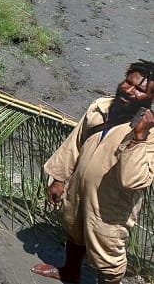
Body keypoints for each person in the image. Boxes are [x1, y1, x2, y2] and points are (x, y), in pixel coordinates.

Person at [31, 61, 154, 284]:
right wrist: (59, 178)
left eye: (140, 90)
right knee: (73, 228)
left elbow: (132, 180)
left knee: (107, 253)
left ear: (151, 99)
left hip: (111, 205)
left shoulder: (150, 135)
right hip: (78, 187)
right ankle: (69, 272)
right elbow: (75, 143)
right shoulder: (101, 107)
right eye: (128, 82)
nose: (129, 90)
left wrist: (139, 137)